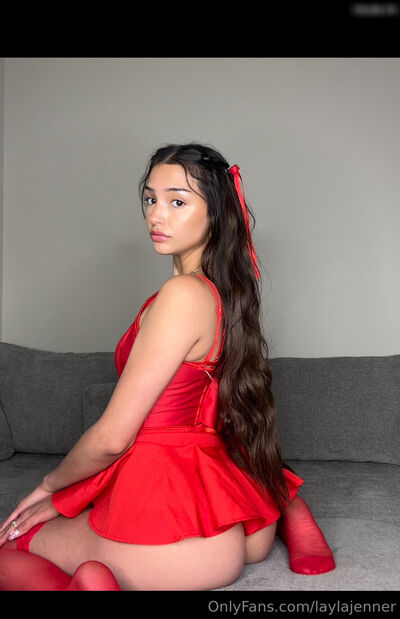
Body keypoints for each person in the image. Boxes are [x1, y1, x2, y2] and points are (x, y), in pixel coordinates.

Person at [0, 142, 335, 591]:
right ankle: (286, 505)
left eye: (177, 202)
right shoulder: (221, 294)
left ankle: (86, 583)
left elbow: (112, 438)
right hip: (231, 523)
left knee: (12, 544)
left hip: (173, 534)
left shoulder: (180, 297)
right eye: (150, 199)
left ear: (216, 214)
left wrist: (48, 489)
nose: (156, 216)